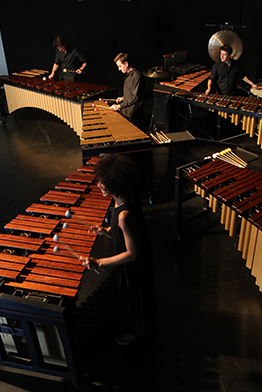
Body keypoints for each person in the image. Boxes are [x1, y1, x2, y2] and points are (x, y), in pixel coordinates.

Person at [80, 154, 156, 345]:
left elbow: (132, 253)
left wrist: (99, 262)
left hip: (134, 264)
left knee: (136, 296)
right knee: (128, 293)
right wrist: (106, 229)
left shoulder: (124, 215)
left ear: (116, 183)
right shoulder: (122, 199)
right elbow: (122, 230)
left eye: (103, 183)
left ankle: (138, 332)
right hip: (130, 257)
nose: (99, 186)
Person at [109, 53, 143, 127]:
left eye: (120, 66)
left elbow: (135, 97)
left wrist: (119, 106)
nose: (119, 69)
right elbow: (130, 92)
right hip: (126, 110)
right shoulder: (128, 75)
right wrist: (123, 98)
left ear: (126, 63)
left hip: (132, 113)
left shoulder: (136, 75)